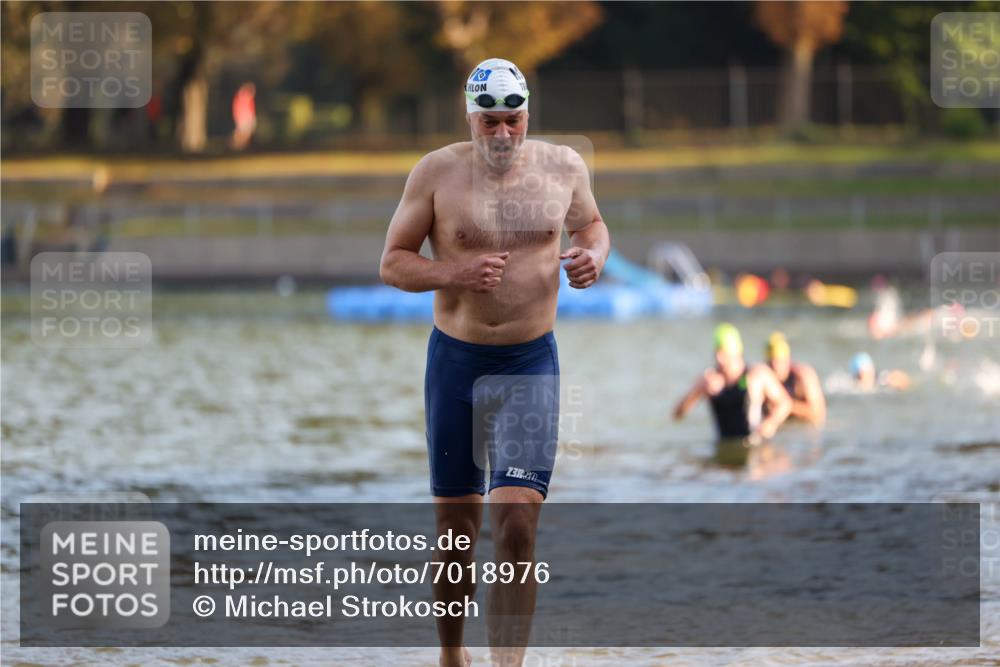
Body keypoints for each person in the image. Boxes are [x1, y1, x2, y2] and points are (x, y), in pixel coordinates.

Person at [379, 57, 609, 667]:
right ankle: (453, 656)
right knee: (457, 537)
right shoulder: (436, 173)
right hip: (455, 365)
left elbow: (593, 226)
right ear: (470, 118)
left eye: (514, 120)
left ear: (528, 114)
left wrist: (595, 256)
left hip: (530, 365)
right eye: (490, 123)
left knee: (517, 522)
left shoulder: (564, 168)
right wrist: (454, 270)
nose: (503, 134)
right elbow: (393, 262)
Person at [672, 323, 792, 467]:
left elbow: (785, 403)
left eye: (723, 353)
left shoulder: (757, 374)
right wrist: (697, 391)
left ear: (736, 353)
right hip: (724, 448)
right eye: (716, 353)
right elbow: (677, 414)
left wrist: (771, 423)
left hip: (755, 448)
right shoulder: (709, 378)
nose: (719, 359)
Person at [764, 331, 826, 426]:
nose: (775, 367)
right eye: (771, 363)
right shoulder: (765, 376)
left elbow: (818, 412)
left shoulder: (803, 376)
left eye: (779, 361)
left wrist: (786, 405)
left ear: (788, 360)